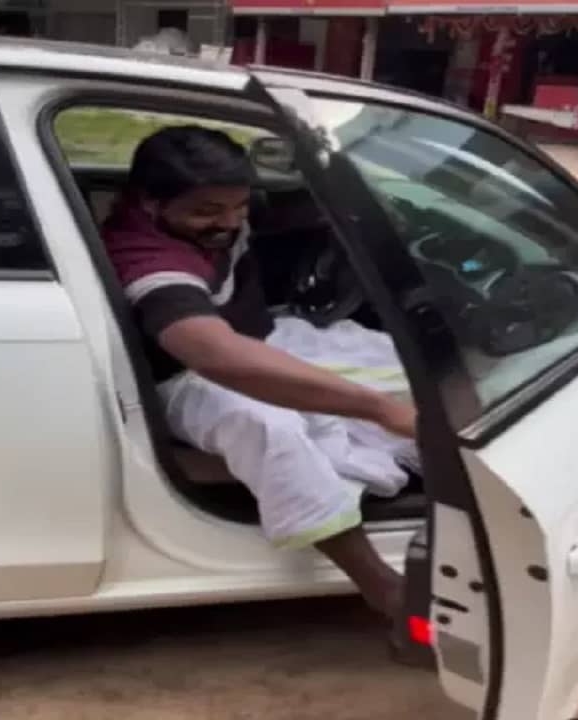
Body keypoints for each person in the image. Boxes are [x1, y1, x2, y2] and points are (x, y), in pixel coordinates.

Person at [101, 126, 417, 621]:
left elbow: (274, 221)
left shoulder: (211, 218)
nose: (228, 223)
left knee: (421, 372)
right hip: (181, 377)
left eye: (240, 207)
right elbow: (214, 354)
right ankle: (384, 591)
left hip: (265, 334)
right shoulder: (150, 262)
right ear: (148, 202)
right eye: (208, 211)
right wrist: (375, 407)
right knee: (272, 428)